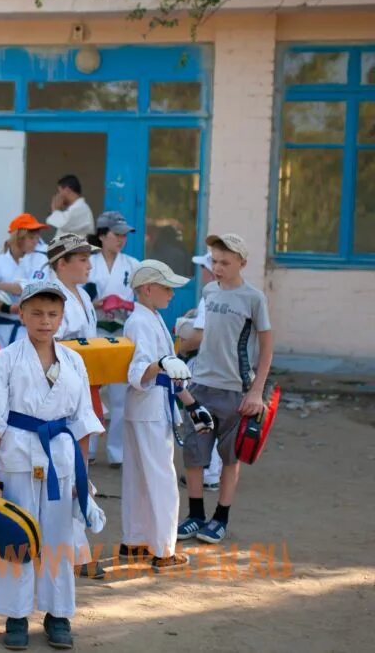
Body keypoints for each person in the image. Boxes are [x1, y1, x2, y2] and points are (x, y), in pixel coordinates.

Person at [0, 280, 104, 650]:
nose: (44, 321)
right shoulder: (5, 359)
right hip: (16, 456)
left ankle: (58, 613)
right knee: (16, 537)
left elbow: (83, 421)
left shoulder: (75, 361)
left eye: (52, 314)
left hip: (61, 459)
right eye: (36, 313)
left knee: (59, 537)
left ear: (62, 318)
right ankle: (15, 615)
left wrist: (83, 472)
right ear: (21, 313)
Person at [177, 234, 273, 545]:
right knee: (193, 454)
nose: (217, 268)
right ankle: (194, 515)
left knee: (229, 458)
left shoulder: (254, 298)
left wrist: (256, 392)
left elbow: (268, 348)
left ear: (242, 264)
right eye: (214, 261)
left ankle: (220, 518)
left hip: (236, 391)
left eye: (225, 263)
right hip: (201, 385)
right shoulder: (207, 291)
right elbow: (202, 336)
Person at [122, 260, 213, 570]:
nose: (173, 293)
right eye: (167, 287)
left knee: (139, 477)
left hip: (148, 408)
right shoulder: (140, 322)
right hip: (149, 410)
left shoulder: (152, 318)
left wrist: (192, 405)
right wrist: (160, 364)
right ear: (148, 289)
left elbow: (167, 369)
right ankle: (163, 549)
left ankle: (135, 541)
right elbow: (137, 371)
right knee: (161, 480)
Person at [45, 233, 103, 580]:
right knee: (67, 471)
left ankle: (77, 549)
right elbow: (48, 346)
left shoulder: (81, 295)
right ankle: (75, 552)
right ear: (61, 264)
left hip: (83, 387)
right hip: (59, 394)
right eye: (82, 259)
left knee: (79, 470)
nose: (89, 264)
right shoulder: (52, 298)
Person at [86, 211, 140, 468]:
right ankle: (90, 447)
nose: (121, 240)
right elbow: (77, 296)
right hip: (94, 331)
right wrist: (96, 303)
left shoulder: (132, 265)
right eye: (116, 234)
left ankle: (117, 452)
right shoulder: (88, 263)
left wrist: (126, 304)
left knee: (120, 397)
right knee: (90, 392)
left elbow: (144, 299)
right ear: (101, 235)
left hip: (120, 333)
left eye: (124, 235)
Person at [175, 251, 222, 491]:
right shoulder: (232, 295)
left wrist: (180, 353)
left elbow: (199, 337)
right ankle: (213, 472)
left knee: (200, 416)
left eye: (204, 267)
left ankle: (205, 473)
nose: (201, 272)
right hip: (224, 368)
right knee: (217, 417)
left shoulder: (211, 296)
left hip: (205, 366)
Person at [0, 213, 50, 349]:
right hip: (1, 329)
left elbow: (34, 289)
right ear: (19, 238)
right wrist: (7, 308)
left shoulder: (41, 260)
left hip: (30, 330)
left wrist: (0, 285)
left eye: (37, 237)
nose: (36, 241)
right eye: (31, 237)